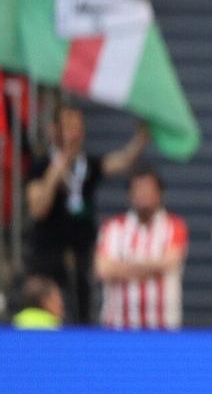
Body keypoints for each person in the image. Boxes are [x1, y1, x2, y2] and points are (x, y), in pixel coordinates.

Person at [25, 106, 150, 324]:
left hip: (81, 257)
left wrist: (142, 138)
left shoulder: (87, 166)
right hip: (48, 259)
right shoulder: (40, 166)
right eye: (68, 127)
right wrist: (62, 161)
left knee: (82, 317)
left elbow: (122, 160)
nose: (75, 133)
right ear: (54, 130)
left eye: (78, 127)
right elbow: (38, 208)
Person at [93, 169, 188, 329]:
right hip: (117, 326)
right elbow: (103, 269)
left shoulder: (174, 226)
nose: (143, 194)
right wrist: (154, 268)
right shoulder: (112, 227)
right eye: (138, 189)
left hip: (163, 327)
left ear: (160, 193)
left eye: (148, 189)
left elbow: (170, 262)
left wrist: (121, 268)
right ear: (129, 194)